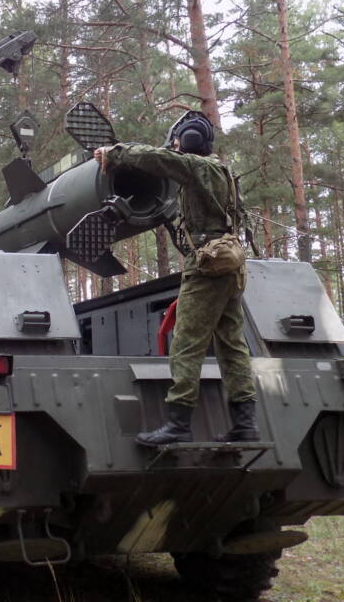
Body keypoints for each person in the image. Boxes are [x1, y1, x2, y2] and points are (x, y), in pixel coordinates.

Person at [93, 112, 258, 447]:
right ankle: (245, 423)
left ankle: (179, 424)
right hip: (231, 265)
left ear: (191, 142)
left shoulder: (198, 167)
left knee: (186, 341)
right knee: (231, 344)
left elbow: (157, 158)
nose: (177, 145)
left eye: (180, 140)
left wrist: (115, 153)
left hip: (207, 264)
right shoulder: (223, 170)